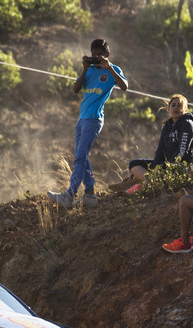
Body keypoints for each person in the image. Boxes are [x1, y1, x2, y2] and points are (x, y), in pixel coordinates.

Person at [47, 38, 128, 208]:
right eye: (94, 55)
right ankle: (90, 195)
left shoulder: (113, 70)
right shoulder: (90, 70)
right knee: (81, 155)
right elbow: (76, 89)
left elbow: (124, 86)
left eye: (100, 55)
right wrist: (84, 69)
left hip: (94, 119)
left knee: (80, 156)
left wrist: (109, 67)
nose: (97, 58)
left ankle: (70, 195)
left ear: (107, 55)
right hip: (82, 119)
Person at [126, 94, 193, 194]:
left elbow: (182, 151)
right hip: (169, 164)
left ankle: (147, 183)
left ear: (185, 110)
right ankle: (151, 182)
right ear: (168, 109)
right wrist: (156, 166)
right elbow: (160, 150)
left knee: (162, 167)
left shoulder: (187, 124)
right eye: (173, 105)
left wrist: (166, 167)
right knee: (134, 164)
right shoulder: (167, 126)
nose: (176, 108)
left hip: (186, 166)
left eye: (179, 105)